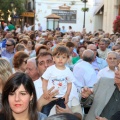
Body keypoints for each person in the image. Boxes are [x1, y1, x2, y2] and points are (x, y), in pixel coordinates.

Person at [41, 46, 76, 116]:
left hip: (62, 96)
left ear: (67, 59)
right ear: (53, 58)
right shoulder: (50, 69)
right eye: (58, 57)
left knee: (63, 113)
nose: (60, 59)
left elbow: (69, 83)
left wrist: (67, 94)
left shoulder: (68, 71)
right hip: (51, 96)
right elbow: (45, 81)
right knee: (44, 111)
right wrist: (45, 92)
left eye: (63, 57)